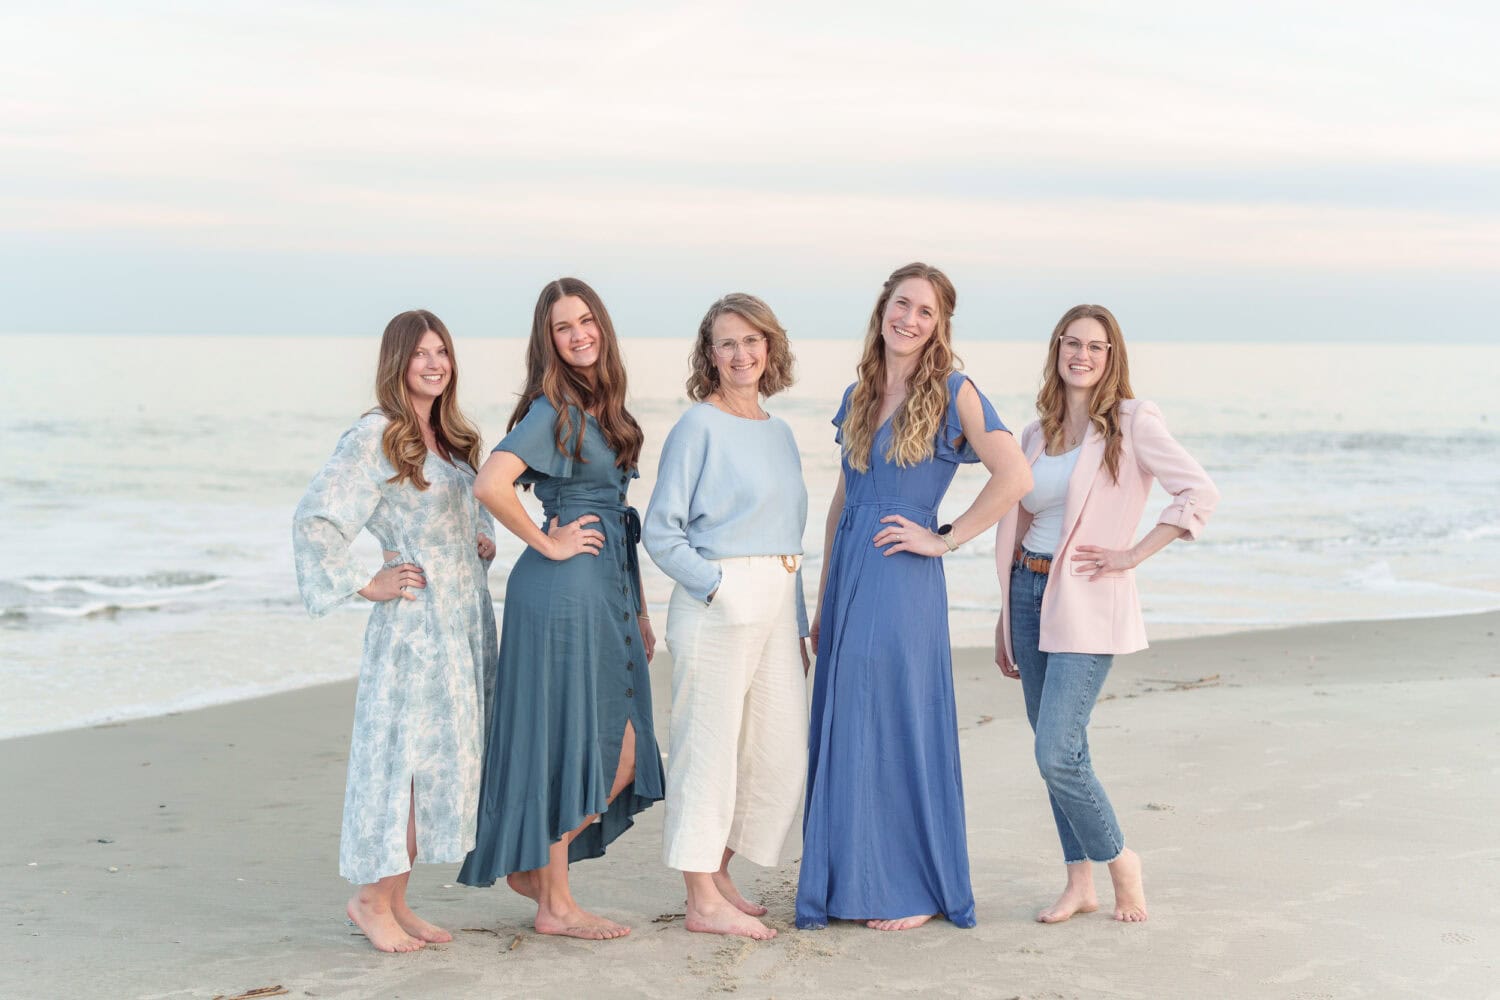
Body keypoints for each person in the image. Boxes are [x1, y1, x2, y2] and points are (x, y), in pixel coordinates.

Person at [796, 262, 1032, 931]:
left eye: (926, 312)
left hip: (902, 573)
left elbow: (1014, 474)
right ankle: (849, 884)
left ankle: (914, 887)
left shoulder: (955, 390)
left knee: (896, 719)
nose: (910, 319)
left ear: (940, 325)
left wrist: (947, 538)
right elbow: (844, 496)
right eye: (903, 304)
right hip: (849, 571)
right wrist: (822, 597)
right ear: (883, 308)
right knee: (847, 721)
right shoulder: (859, 392)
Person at [994, 304, 1219, 924]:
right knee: (1062, 748)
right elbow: (1020, 522)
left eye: (1096, 346)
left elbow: (1198, 492)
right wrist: (1003, 616)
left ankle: (1120, 861)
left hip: (1089, 601)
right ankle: (1079, 884)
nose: (1082, 355)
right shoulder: (1035, 434)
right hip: (1026, 593)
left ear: (1112, 356)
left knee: (1055, 752)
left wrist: (1132, 555)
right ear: (1056, 350)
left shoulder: (1132, 422)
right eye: (1072, 343)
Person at [458, 277, 664, 941]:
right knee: (575, 739)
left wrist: (637, 608)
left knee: (623, 747)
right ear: (547, 342)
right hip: (563, 589)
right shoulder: (553, 407)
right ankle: (554, 899)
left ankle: (541, 876)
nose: (578, 335)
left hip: (605, 586)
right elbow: (492, 484)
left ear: (600, 326)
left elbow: (617, 516)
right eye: (562, 328)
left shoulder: (601, 406)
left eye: (585, 322)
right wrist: (548, 539)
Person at [293, 309, 497, 953]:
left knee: (442, 765)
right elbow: (316, 520)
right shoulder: (375, 435)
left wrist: (478, 542)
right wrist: (366, 582)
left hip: (463, 621)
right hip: (415, 629)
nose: (435, 363)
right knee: (403, 766)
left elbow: (450, 519)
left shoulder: (452, 437)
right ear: (397, 362)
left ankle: (400, 900)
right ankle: (370, 899)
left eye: (443, 351)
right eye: (421, 353)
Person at [643, 293, 810, 941]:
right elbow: (662, 532)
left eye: (752, 341)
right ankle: (699, 898)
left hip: (778, 599)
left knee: (775, 752)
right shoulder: (698, 426)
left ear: (770, 347)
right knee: (708, 749)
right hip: (719, 604)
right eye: (727, 344)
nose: (742, 354)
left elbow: (787, 532)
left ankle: (719, 871)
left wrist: (791, 622)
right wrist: (719, 589)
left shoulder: (779, 431)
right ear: (709, 356)